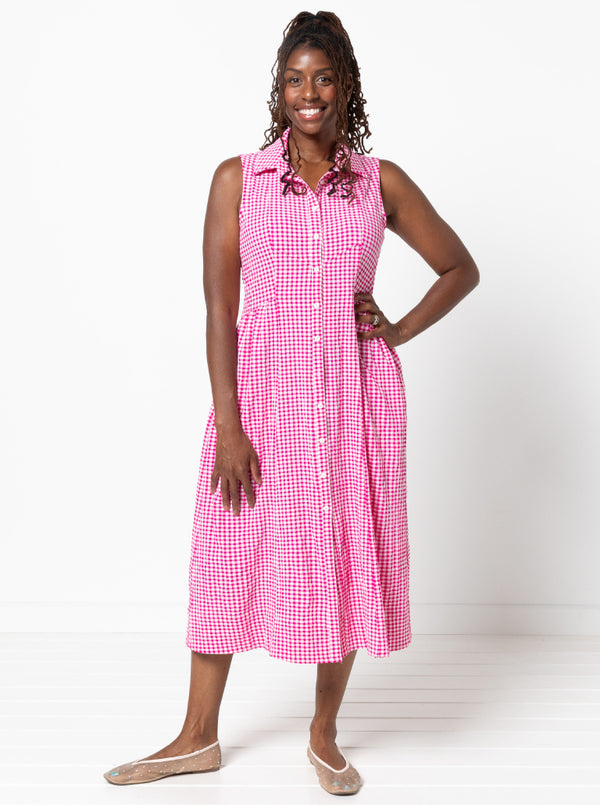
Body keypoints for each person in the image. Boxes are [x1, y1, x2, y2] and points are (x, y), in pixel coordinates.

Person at [103, 10, 480, 796]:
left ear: (346, 88)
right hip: (262, 405)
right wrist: (231, 423)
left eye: (323, 77)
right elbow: (219, 312)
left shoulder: (380, 184)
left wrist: (398, 328)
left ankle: (323, 733)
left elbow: (459, 267)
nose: (308, 92)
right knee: (228, 552)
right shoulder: (238, 179)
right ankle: (196, 736)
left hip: (353, 400)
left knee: (340, 553)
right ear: (279, 92)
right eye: (294, 79)